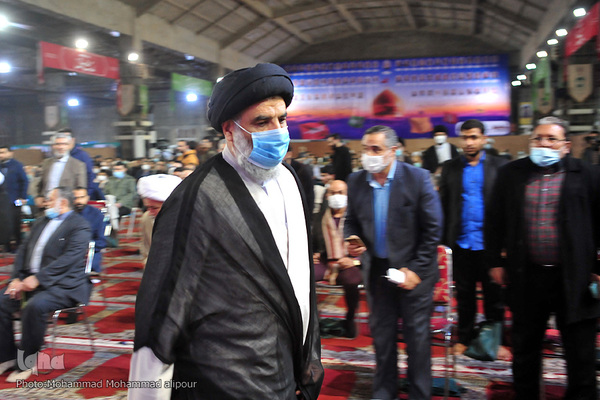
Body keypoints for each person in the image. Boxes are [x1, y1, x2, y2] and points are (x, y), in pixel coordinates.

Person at [129, 63, 323, 400]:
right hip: (223, 379)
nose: (277, 131)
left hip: (285, 370)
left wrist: (306, 363)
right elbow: (161, 315)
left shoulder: (290, 180)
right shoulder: (196, 198)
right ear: (229, 130)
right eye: (261, 122)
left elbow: (300, 281)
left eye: (282, 119)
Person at [487, 116, 600, 399]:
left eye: (551, 139)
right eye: (538, 138)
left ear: (566, 145)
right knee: (525, 349)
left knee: (580, 352)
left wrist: (598, 266)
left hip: (575, 277)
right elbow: (494, 220)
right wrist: (495, 261)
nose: (543, 144)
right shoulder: (511, 174)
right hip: (527, 275)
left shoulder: (587, 174)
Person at [344, 125, 442, 400]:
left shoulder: (418, 178)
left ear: (393, 151)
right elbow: (351, 220)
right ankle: (384, 393)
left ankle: (419, 394)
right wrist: (352, 238)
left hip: (413, 272)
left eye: (376, 149)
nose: (369, 155)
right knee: (383, 339)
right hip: (377, 272)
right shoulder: (356, 180)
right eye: (366, 149)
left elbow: (433, 229)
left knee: (417, 341)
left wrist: (416, 270)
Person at [0, 187, 91, 382]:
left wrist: (38, 279)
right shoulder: (41, 222)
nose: (45, 203)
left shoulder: (79, 226)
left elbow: (68, 260)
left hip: (63, 285)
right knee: (1, 301)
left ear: (62, 202)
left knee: (35, 306)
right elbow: (23, 251)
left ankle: (26, 362)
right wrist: (15, 278)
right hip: (30, 281)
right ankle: (6, 356)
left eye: (50, 200)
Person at [438, 119, 509, 358]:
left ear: (484, 139)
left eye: (474, 137)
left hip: (491, 246)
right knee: (465, 295)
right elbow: (443, 206)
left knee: (494, 297)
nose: (469, 142)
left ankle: (495, 341)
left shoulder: (500, 166)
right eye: (465, 137)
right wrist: (442, 242)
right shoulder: (450, 168)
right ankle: (465, 338)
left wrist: (505, 246)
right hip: (461, 243)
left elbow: (507, 209)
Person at [313, 180, 362, 338]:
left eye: (340, 193)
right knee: (303, 276)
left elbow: (368, 243)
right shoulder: (319, 217)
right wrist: (312, 254)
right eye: (333, 193)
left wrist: (355, 260)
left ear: (347, 195)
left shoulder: (357, 217)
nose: (336, 196)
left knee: (352, 280)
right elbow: (312, 240)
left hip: (350, 262)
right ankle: (313, 321)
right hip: (326, 261)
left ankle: (350, 318)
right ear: (327, 195)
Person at [136, 174, 182, 264]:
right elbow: (146, 250)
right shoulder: (147, 218)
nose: (150, 212)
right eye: (147, 207)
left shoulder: (192, 219)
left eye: (154, 208)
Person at [35, 133, 87, 209]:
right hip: (45, 206)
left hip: (66, 207)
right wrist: (38, 197)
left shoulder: (78, 165)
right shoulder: (46, 163)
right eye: (57, 144)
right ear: (53, 146)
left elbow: (81, 189)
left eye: (64, 144)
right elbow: (40, 184)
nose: (61, 147)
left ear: (69, 146)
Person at [73, 187, 106, 274]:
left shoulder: (96, 214)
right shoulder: (68, 213)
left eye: (82, 197)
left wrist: (84, 246)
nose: (79, 201)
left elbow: (101, 241)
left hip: (88, 250)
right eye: (76, 198)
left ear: (87, 198)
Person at [0, 145, 28, 250]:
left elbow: (24, 181)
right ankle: (6, 245)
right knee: (4, 223)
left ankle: (18, 245)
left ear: (10, 153)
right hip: (2, 201)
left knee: (16, 222)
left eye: (3, 152)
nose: (1, 155)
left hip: (16, 200)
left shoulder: (17, 165)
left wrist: (23, 197)